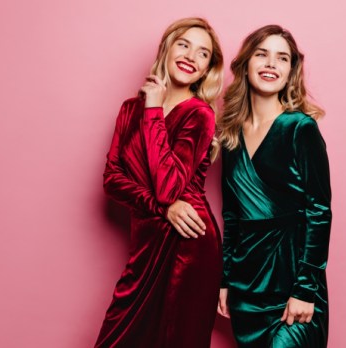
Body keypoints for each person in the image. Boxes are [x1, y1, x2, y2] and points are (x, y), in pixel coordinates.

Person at [95, 17, 224, 348]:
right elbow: (111, 181)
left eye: (203, 53)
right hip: (147, 242)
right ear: (167, 49)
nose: (191, 56)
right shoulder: (128, 109)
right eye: (184, 44)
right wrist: (159, 208)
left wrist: (153, 110)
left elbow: (170, 186)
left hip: (189, 240)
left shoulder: (199, 115)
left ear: (208, 68)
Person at [216, 24, 332, 348]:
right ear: (246, 63)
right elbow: (232, 215)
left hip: (293, 283)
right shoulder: (230, 137)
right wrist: (226, 280)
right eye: (262, 54)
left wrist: (305, 290)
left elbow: (320, 212)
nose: (271, 64)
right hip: (246, 287)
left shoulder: (300, 129)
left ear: (291, 71)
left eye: (282, 58)